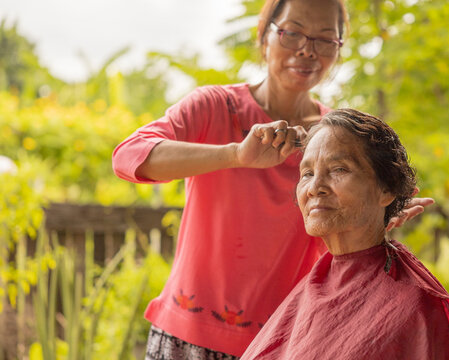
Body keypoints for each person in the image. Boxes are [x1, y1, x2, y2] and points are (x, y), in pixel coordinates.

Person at [112, 0, 431, 358]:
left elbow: (334, 237)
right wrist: (235, 155)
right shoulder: (214, 107)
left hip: (285, 341)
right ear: (265, 36)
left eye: (325, 39)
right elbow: (128, 157)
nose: (307, 50)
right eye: (292, 32)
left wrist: (375, 216)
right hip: (187, 338)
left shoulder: (337, 138)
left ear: (338, 50)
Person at [241, 109, 449, 360]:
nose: (315, 188)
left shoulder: (411, 305)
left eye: (338, 169)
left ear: (386, 190)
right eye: (307, 173)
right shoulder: (315, 285)